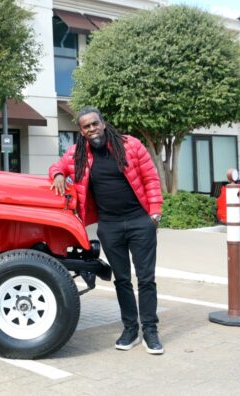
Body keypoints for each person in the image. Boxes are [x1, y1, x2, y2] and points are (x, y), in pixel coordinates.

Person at [50, 107, 165, 355]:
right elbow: (57, 166)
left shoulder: (130, 145)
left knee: (146, 279)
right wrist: (59, 174)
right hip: (110, 226)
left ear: (103, 123)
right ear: (81, 131)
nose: (91, 129)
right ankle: (130, 329)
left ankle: (151, 331)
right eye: (86, 127)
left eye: (94, 124)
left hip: (139, 221)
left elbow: (151, 178)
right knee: (122, 279)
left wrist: (154, 213)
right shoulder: (77, 154)